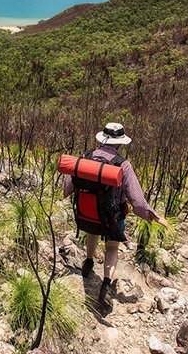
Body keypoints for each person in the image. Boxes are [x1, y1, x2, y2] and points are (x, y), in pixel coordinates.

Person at [63, 122, 168, 308]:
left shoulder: (85, 158)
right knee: (112, 248)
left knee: (92, 233)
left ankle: (88, 261)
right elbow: (136, 199)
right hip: (113, 216)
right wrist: (154, 216)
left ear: (102, 139)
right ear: (120, 143)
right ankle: (105, 284)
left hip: (87, 214)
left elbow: (68, 186)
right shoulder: (123, 165)